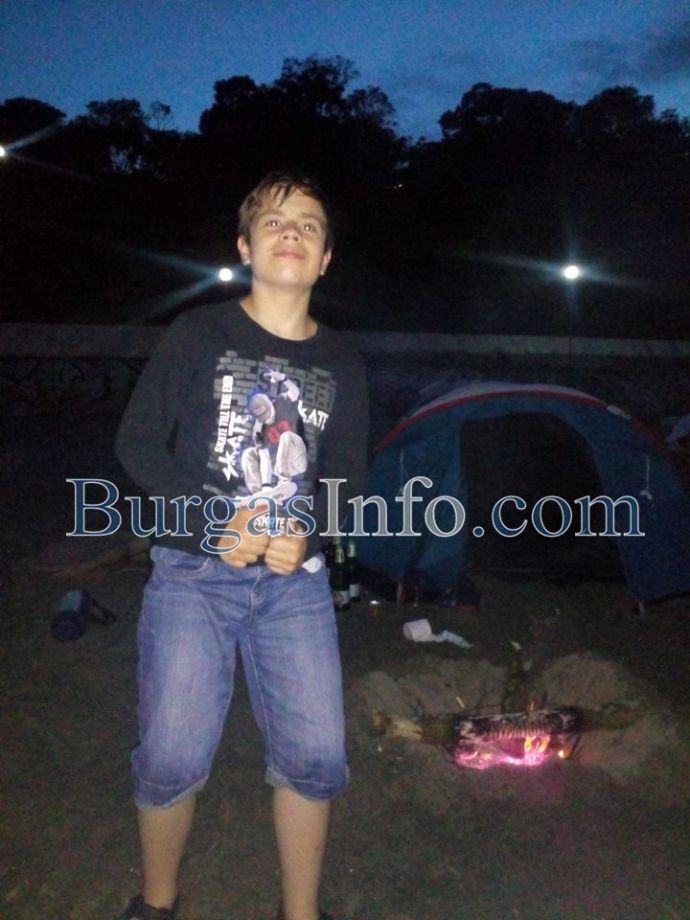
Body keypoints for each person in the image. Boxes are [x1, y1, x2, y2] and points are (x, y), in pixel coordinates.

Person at [114, 171, 369, 920]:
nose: (292, 232)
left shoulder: (343, 361)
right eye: (275, 221)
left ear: (325, 259)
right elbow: (138, 443)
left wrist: (308, 531)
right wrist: (210, 522)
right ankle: (156, 906)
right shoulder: (199, 334)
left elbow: (347, 478)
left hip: (296, 586)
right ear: (245, 247)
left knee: (316, 757)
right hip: (192, 575)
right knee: (170, 757)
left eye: (310, 225)